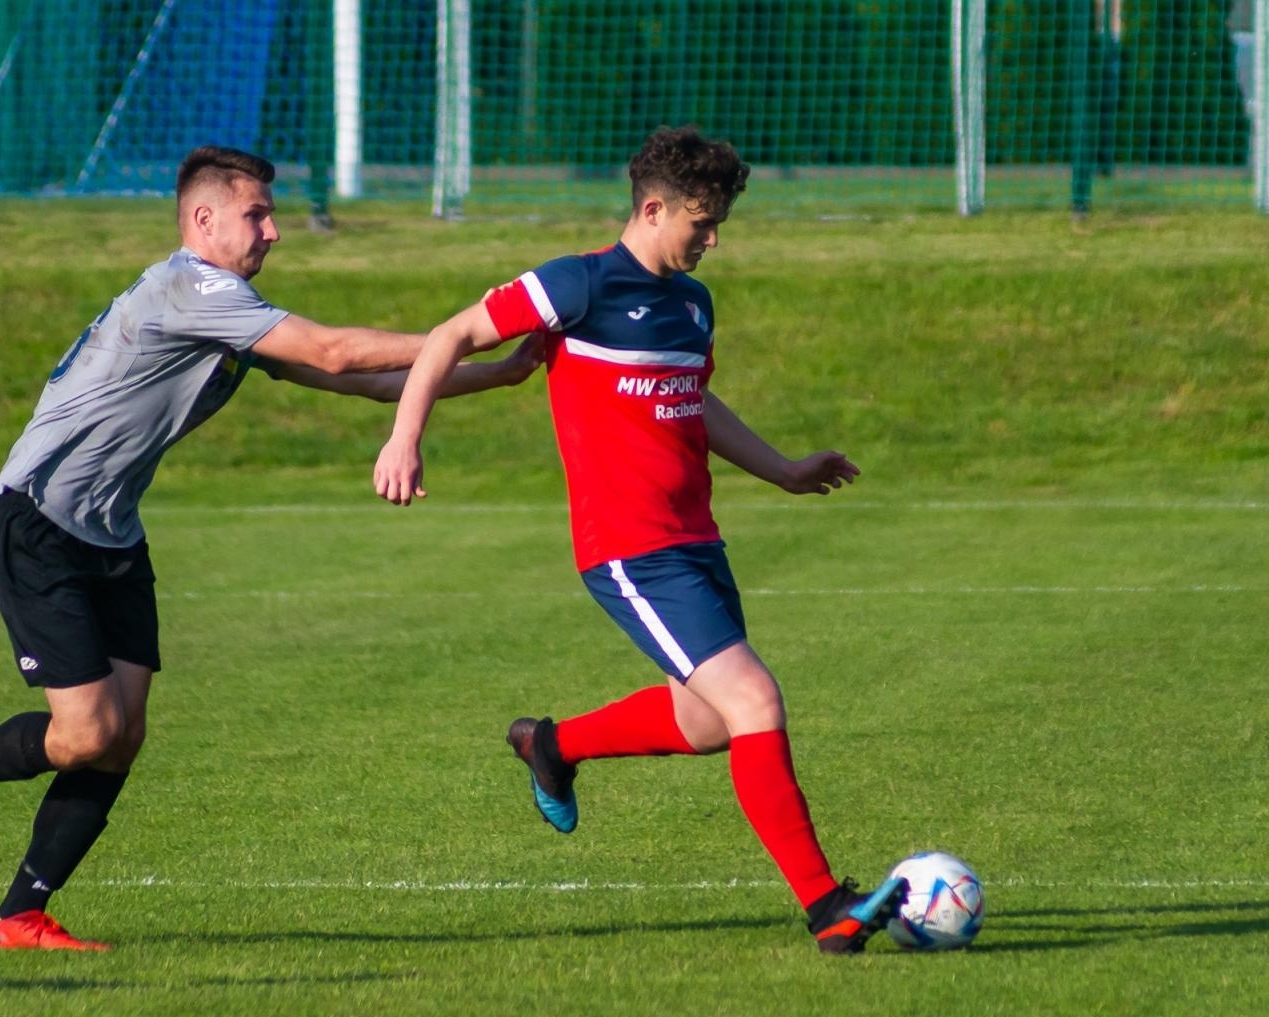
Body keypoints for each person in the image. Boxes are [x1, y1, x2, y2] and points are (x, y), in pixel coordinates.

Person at [0, 145, 539, 951]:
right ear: (204, 220)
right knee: (88, 733)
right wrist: (462, 331)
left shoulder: (227, 306)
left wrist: (502, 372)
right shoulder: (190, 288)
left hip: (112, 531)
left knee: (123, 732)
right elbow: (338, 351)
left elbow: (365, 383)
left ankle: (18, 914)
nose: (273, 231)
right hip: (39, 519)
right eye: (257, 214)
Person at [372, 126, 907, 954]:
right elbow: (450, 337)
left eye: (721, 221)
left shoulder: (693, 303)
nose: (714, 238)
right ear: (653, 209)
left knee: (708, 723)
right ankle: (827, 907)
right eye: (703, 221)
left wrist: (785, 471)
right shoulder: (577, 286)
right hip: (629, 549)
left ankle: (551, 745)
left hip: (696, 539)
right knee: (756, 700)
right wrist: (406, 438)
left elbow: (697, 401)